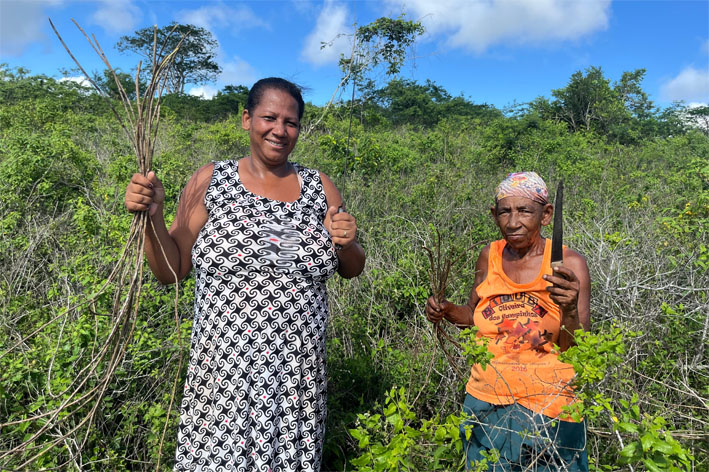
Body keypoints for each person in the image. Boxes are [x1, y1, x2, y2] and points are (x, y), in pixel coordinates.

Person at [125, 77, 365, 471]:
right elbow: (172, 270)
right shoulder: (211, 180)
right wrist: (152, 217)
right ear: (246, 119)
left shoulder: (320, 188)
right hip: (224, 374)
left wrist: (349, 242)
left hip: (296, 378)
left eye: (291, 122)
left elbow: (351, 269)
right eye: (269, 117)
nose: (280, 130)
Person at [426, 172, 590, 471]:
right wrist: (447, 310)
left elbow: (580, 348)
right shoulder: (489, 255)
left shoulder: (568, 263)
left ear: (546, 214)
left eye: (525, 211)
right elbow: (474, 317)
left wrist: (569, 310)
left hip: (548, 406)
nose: (513, 222)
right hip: (486, 402)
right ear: (494, 214)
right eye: (505, 211)